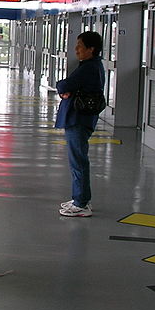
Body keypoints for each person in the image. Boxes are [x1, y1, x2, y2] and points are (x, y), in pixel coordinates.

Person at [54, 31, 105, 217]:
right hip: (82, 119)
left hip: (79, 120)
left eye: (80, 46)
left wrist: (65, 89)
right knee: (78, 159)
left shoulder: (88, 68)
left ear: (91, 49)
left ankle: (81, 202)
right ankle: (80, 197)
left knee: (78, 161)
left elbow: (63, 85)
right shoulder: (94, 66)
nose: (76, 50)